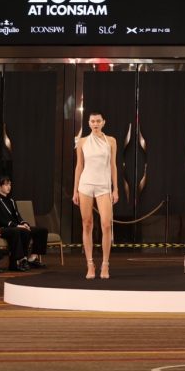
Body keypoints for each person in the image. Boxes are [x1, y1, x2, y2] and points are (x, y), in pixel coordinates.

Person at [72, 110, 120, 278]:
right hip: (85, 185)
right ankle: (90, 265)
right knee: (87, 224)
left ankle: (105, 265)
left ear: (103, 122)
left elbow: (113, 166)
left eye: (98, 121)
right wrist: (75, 190)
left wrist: (115, 189)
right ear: (89, 123)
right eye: (92, 121)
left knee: (106, 224)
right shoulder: (82, 141)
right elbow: (79, 166)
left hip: (104, 186)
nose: (95, 124)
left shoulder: (111, 141)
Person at [0, 176, 50, 271]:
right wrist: (17, 225)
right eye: (6, 184)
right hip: (5, 227)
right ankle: (22, 259)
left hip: (16, 226)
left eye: (10, 184)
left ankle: (32, 258)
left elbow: (17, 215)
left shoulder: (11, 200)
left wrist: (24, 223)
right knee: (23, 231)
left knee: (42, 231)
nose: (9, 187)